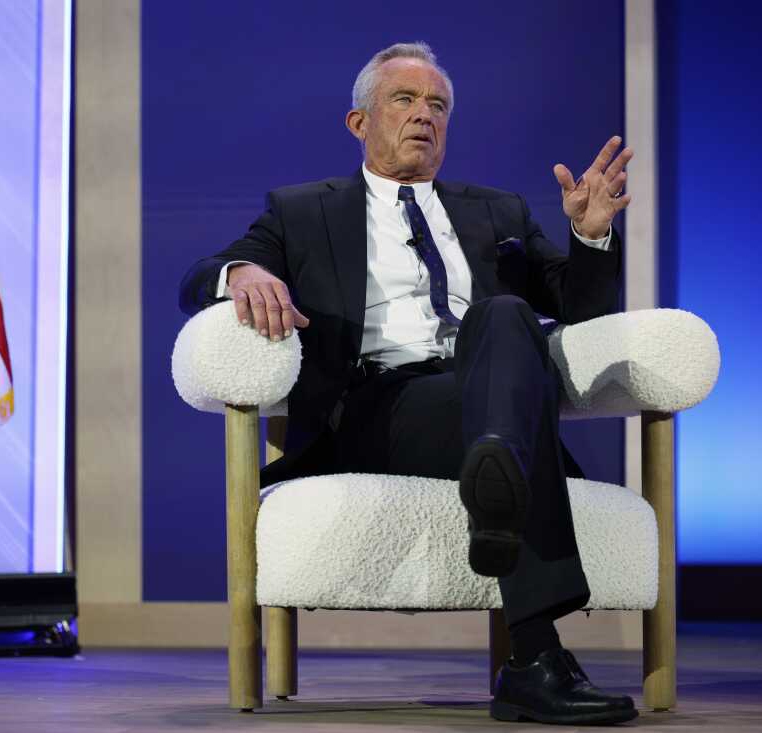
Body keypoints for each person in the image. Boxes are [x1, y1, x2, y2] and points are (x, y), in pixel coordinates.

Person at [178, 42, 638, 725]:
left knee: (506, 315)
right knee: (515, 412)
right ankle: (533, 653)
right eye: (405, 99)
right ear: (359, 122)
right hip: (380, 409)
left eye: (438, 105)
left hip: (482, 393)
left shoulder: (499, 211)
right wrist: (242, 272)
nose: (425, 114)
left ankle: (499, 475)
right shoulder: (303, 211)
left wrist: (591, 237)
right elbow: (197, 277)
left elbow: (583, 308)